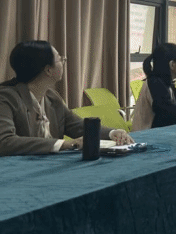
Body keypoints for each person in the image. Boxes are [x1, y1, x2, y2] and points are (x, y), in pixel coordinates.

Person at [0, 40, 132, 155]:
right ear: (48, 70)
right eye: (60, 59)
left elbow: (77, 126)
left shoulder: (52, 97)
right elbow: (5, 141)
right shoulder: (6, 97)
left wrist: (112, 133)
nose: (64, 62)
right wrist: (64, 144)